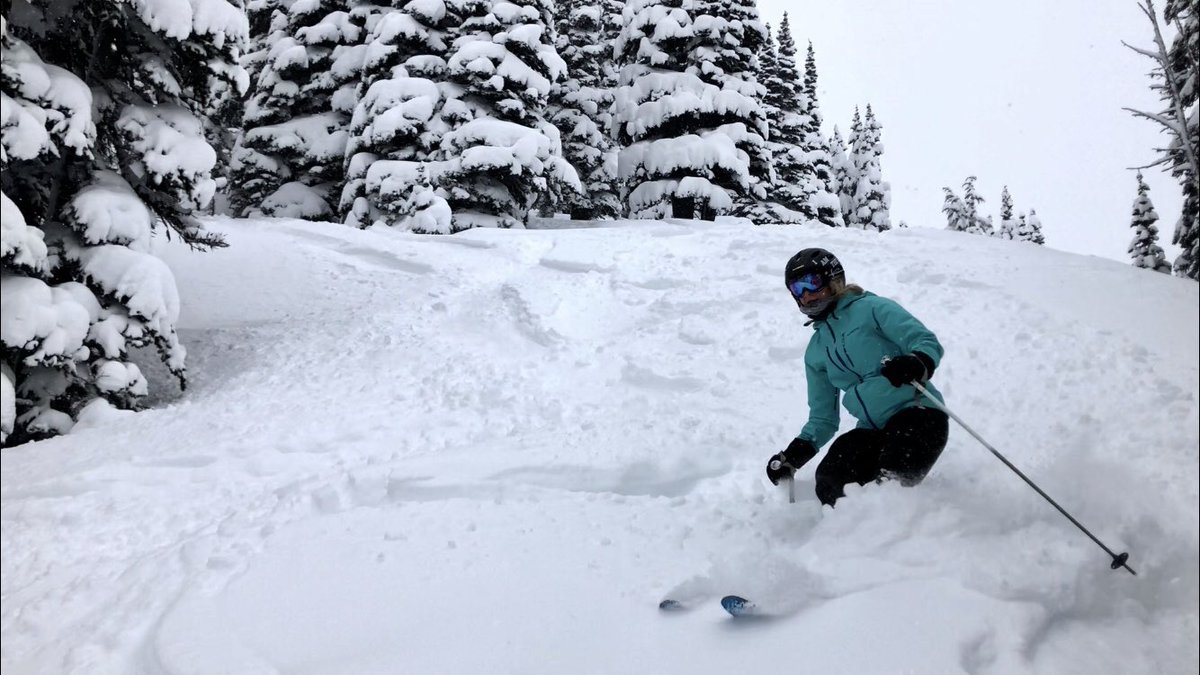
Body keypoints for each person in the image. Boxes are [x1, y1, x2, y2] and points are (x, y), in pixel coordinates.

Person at [765, 248, 950, 506]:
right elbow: (823, 418)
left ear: (834, 280)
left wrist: (917, 361)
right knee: (831, 479)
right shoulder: (816, 352)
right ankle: (845, 538)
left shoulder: (871, 308)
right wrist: (794, 454)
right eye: (798, 288)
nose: (806, 294)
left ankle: (919, 531)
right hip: (872, 430)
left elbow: (924, 340)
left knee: (891, 485)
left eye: (813, 282)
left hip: (918, 415)